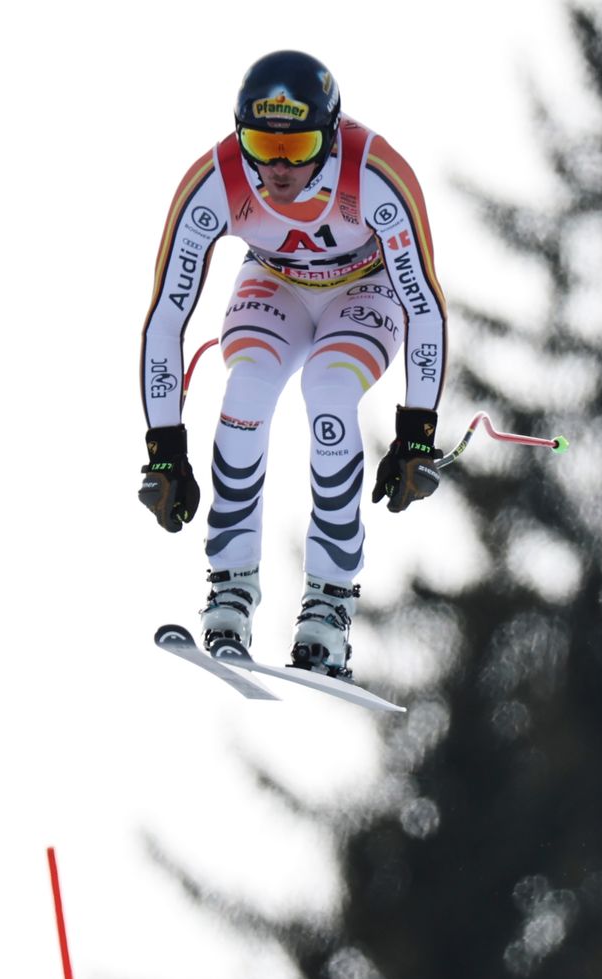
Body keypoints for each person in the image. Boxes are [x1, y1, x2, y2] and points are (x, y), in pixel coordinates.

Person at [138, 50, 449, 679]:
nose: (278, 167)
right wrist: (164, 447)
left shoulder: (375, 173)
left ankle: (329, 607)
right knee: (246, 388)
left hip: (366, 290)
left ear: (330, 135)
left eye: (300, 144)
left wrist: (417, 433)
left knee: (329, 392)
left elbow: (425, 305)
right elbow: (165, 317)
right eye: (261, 143)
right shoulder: (217, 179)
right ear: (239, 133)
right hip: (273, 283)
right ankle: (230, 590)